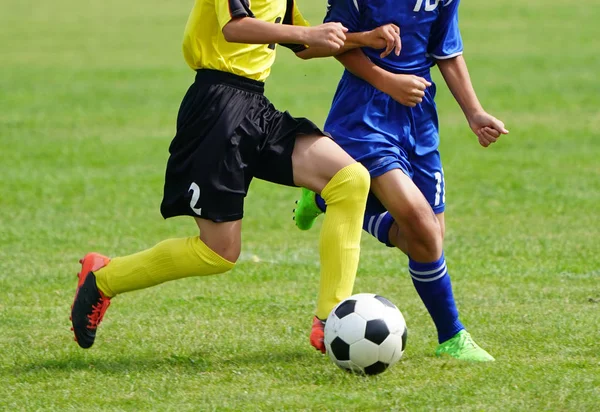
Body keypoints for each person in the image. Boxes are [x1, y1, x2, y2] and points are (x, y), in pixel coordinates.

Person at [70, 0, 403, 349]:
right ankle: (103, 278)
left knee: (349, 179)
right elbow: (235, 27)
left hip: (254, 106)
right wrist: (308, 32)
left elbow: (303, 46)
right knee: (218, 253)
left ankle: (330, 319)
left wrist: (363, 38)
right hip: (216, 108)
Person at [295, 0, 508, 361]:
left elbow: (447, 51)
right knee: (422, 227)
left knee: (426, 241)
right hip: (365, 118)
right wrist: (387, 80)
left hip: (418, 117)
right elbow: (332, 42)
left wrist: (474, 112)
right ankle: (452, 336)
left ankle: (325, 197)